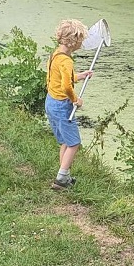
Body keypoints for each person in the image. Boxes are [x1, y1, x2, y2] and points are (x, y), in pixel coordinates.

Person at [46, 19, 94, 190]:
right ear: (73, 41)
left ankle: (64, 175)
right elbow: (66, 86)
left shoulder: (56, 55)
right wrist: (75, 100)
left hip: (50, 102)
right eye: (81, 40)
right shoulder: (67, 61)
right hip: (61, 105)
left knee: (65, 142)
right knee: (74, 143)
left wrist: (79, 76)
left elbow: (59, 79)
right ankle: (60, 179)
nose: (82, 43)